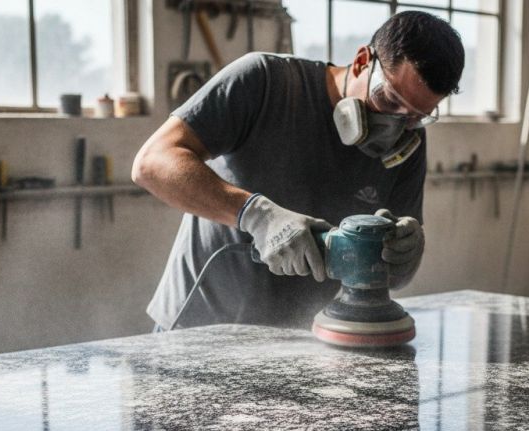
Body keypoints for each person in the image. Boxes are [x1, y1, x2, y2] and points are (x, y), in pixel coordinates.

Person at [132, 10, 464, 332]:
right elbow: (152, 163)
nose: (395, 127)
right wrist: (257, 215)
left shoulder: (410, 143)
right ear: (363, 61)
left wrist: (405, 253)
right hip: (199, 329)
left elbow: (392, 275)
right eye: (388, 100)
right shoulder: (264, 81)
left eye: (415, 116)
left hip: (300, 339)